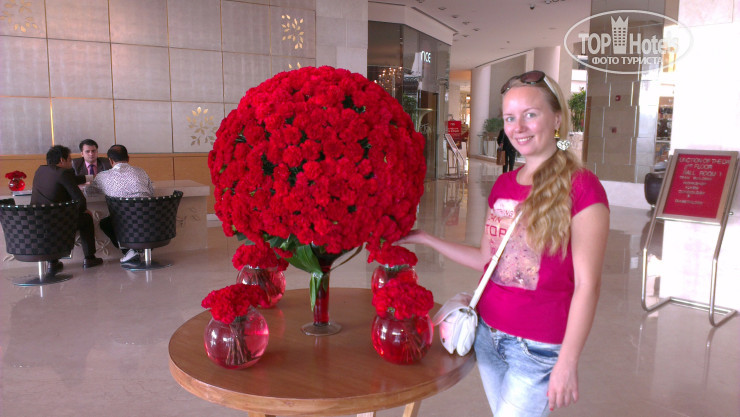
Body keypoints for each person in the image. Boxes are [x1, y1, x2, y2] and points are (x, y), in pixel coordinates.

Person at [400, 70, 610, 416]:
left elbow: (589, 285)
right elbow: (488, 259)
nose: (518, 127)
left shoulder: (583, 187)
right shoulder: (503, 185)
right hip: (488, 334)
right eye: (510, 118)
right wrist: (426, 238)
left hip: (538, 347)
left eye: (531, 114)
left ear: (557, 118)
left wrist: (568, 361)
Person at [31, 145, 104, 269]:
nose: (71, 163)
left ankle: (53, 262)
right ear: (62, 160)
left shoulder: (40, 170)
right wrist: (83, 210)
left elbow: (70, 179)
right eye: (69, 160)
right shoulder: (63, 173)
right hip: (57, 221)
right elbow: (80, 200)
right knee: (86, 218)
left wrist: (91, 177)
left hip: (37, 221)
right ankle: (89, 258)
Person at [84, 144, 154, 263]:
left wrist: (87, 185)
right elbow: (151, 192)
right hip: (150, 219)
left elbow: (89, 192)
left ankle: (129, 251)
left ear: (110, 161)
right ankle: (137, 251)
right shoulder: (141, 172)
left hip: (124, 222)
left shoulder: (103, 176)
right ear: (128, 158)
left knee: (106, 223)